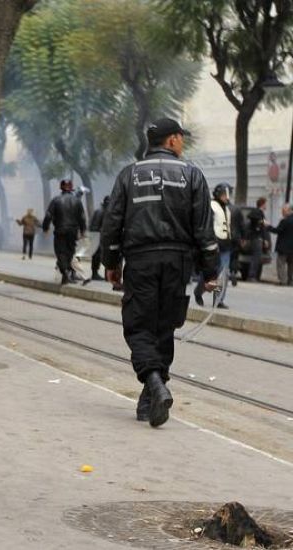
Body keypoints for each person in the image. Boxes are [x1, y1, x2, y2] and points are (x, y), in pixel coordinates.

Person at [100, 117, 218, 428]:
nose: (183, 143)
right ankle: (149, 397)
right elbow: (204, 228)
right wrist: (211, 270)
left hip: (140, 260)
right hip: (178, 262)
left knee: (138, 327)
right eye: (181, 137)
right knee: (164, 328)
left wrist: (111, 264)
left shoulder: (129, 174)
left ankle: (153, 382)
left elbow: (112, 223)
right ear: (172, 140)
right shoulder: (192, 175)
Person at [194, 183, 232, 308]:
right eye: (224, 194)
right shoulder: (211, 206)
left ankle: (218, 300)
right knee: (212, 273)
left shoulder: (227, 208)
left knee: (223, 274)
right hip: (215, 244)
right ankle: (199, 290)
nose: (227, 197)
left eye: (228, 194)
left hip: (226, 244)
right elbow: (208, 226)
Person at [42, 179, 86, 284]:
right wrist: (83, 230)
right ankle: (66, 273)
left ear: (61, 188)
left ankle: (65, 272)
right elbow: (82, 218)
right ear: (71, 189)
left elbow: (48, 215)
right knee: (70, 252)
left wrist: (45, 227)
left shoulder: (56, 200)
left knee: (60, 252)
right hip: (73, 231)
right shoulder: (77, 201)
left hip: (60, 230)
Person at [269, 203, 293, 285]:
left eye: (283, 210)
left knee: (281, 264)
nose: (282, 212)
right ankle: (291, 281)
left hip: (283, 247)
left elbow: (278, 230)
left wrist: (268, 227)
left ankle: (283, 281)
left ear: (289, 210)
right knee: (291, 265)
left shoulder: (285, 221)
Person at [88, 196, 110, 280]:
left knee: (96, 256)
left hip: (94, 236)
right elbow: (99, 227)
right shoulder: (103, 212)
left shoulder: (98, 211)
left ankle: (95, 273)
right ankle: (95, 274)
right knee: (97, 256)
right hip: (97, 236)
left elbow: (91, 225)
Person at [246, 197, 268, 281]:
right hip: (255, 238)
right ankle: (251, 276)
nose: (266, 206)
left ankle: (253, 275)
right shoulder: (257, 211)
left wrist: (265, 239)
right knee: (255, 258)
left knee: (257, 258)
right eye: (265, 204)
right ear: (262, 204)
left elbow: (263, 229)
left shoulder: (260, 213)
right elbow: (251, 216)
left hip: (259, 238)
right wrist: (261, 221)